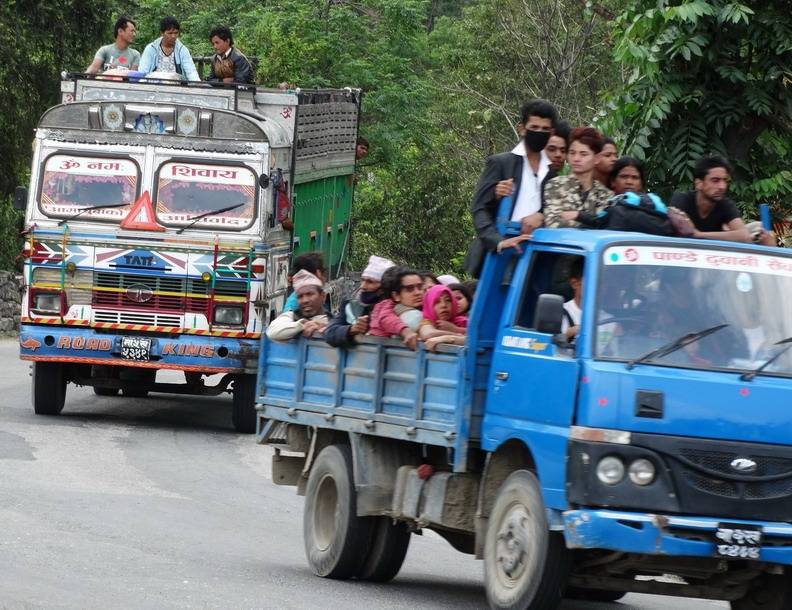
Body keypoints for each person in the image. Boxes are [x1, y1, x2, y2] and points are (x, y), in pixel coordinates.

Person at [466, 99, 559, 276]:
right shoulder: (501, 163)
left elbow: (555, 211)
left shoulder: (552, 173)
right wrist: (497, 241)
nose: (539, 132)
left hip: (535, 253)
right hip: (498, 251)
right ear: (522, 128)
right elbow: (479, 208)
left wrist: (542, 215)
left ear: (552, 132)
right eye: (534, 127)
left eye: (545, 129)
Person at [669, 155, 751, 242]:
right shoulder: (682, 200)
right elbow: (681, 232)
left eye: (725, 181)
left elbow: (744, 235)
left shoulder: (725, 205)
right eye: (715, 181)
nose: (722, 187)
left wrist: (699, 235)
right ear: (699, 184)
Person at [544, 127, 613, 228]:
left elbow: (607, 227)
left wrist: (577, 215)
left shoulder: (605, 195)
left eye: (583, 154)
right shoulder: (555, 185)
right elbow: (553, 224)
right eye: (572, 153)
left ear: (597, 158)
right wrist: (592, 222)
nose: (576, 159)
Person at [324, 255, 394, 348]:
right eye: (363, 280)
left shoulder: (394, 308)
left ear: (384, 288)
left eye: (370, 282)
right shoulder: (350, 305)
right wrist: (351, 330)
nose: (363, 286)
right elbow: (330, 332)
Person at [368, 267, 424, 350]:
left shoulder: (417, 307)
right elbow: (386, 318)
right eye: (409, 289)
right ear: (396, 296)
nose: (418, 292)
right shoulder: (386, 305)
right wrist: (406, 331)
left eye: (420, 287)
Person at [266, 270, 329, 342]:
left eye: (310, 294)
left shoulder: (333, 320)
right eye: (300, 296)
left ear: (323, 296)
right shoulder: (292, 316)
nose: (305, 300)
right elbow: (272, 332)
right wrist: (302, 325)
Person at [138, 17, 200, 81]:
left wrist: (197, 84)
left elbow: (191, 71)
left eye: (176, 33)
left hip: (176, 87)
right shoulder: (151, 49)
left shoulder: (182, 50)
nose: (173, 36)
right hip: (153, 85)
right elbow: (143, 71)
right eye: (170, 33)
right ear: (162, 33)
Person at [418, 284, 467, 351]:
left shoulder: (464, 322)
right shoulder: (427, 322)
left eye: (448, 300)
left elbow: (477, 340)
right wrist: (456, 335)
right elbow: (428, 334)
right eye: (437, 302)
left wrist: (455, 329)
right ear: (429, 305)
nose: (444, 305)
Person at [561, 258, 584, 342]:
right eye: (593, 281)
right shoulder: (560, 313)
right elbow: (547, 343)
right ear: (575, 284)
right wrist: (571, 332)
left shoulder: (610, 321)